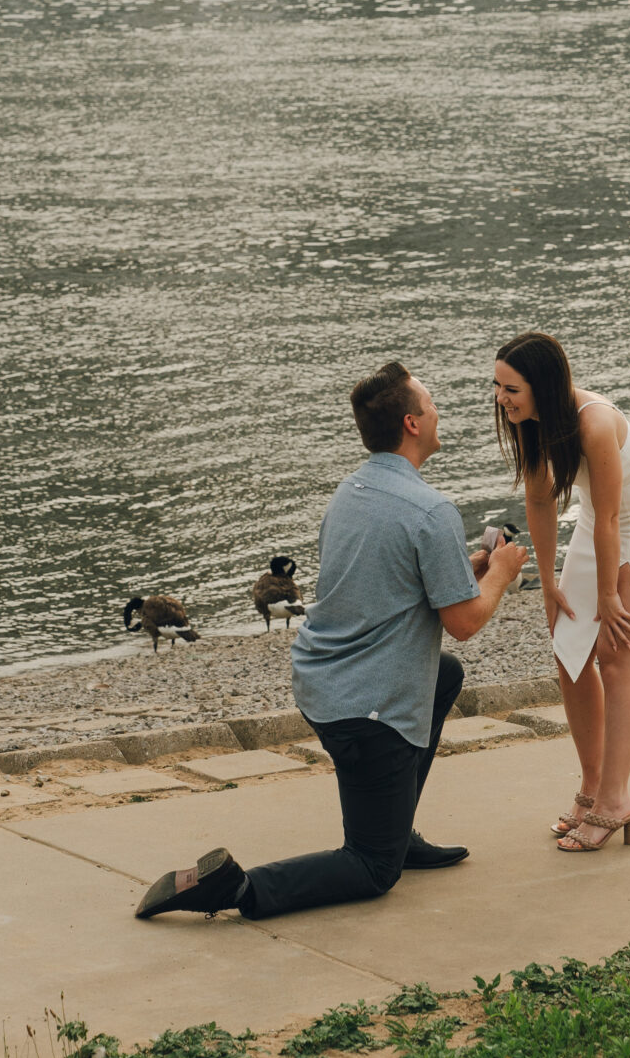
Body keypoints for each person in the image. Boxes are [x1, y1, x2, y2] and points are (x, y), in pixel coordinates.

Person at [134, 360, 527, 924]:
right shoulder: (431, 509)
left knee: (445, 676)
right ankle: (233, 888)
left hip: (323, 682)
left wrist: (465, 569)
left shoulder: (354, 489)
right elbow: (465, 623)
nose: (439, 411)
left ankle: (399, 828)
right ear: (413, 424)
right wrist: (500, 574)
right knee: (371, 868)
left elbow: (389, 583)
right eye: (432, 403)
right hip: (368, 709)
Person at [493, 332, 630, 854]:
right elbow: (539, 499)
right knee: (569, 652)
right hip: (601, 523)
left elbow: (616, 517)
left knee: (615, 656)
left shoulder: (593, 422)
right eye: (498, 386)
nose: (501, 398)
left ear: (544, 386)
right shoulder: (529, 422)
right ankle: (591, 787)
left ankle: (617, 802)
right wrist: (549, 583)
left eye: (511, 388)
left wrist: (609, 596)